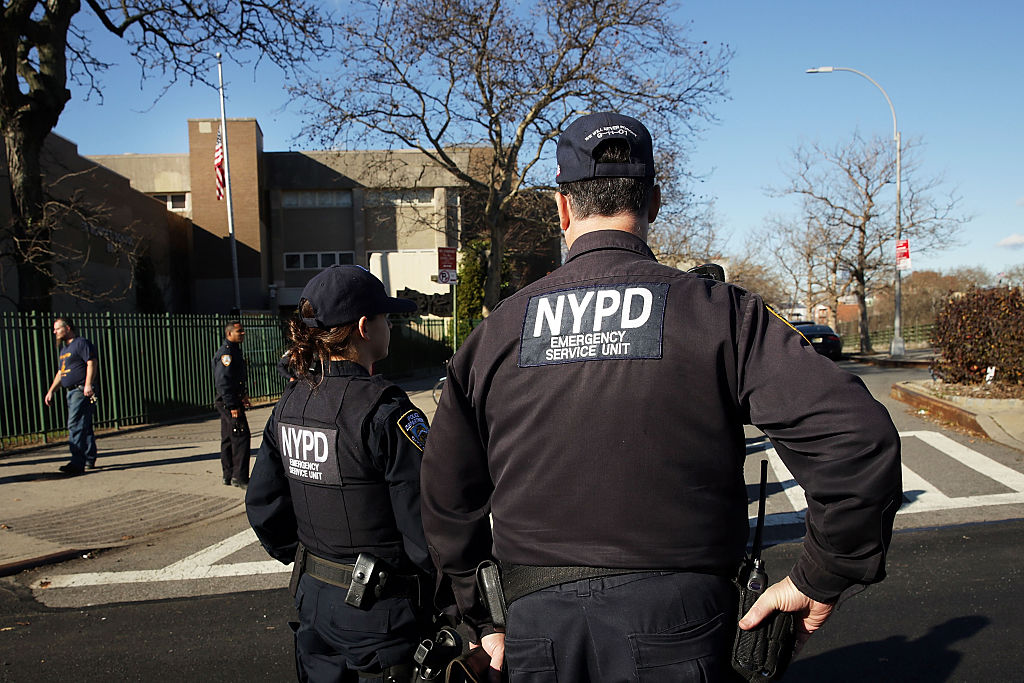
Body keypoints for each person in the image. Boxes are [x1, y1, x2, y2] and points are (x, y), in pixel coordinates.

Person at [419, 112, 903, 681]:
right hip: (683, 628)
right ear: (653, 202)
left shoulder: (497, 332)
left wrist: (480, 616)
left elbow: (447, 495)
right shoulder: (719, 314)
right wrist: (820, 574)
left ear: (562, 207)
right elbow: (856, 439)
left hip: (538, 630)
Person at [246, 265, 435, 682]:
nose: (391, 326)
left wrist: (314, 562)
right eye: (387, 318)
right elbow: (426, 528)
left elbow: (263, 507)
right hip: (381, 617)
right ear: (365, 327)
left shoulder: (290, 403)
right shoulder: (386, 412)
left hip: (314, 601)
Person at [43, 318, 100, 475]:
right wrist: (51, 391)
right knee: (84, 425)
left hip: (81, 390)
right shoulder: (64, 350)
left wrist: (88, 384)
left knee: (74, 424)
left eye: (57, 328)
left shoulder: (81, 343)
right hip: (71, 391)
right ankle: (89, 458)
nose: (55, 332)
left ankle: (77, 462)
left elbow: (91, 362)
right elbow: (61, 373)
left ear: (67, 328)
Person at [213, 320, 251, 488]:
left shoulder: (234, 351)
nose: (242, 334)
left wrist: (242, 396)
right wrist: (232, 405)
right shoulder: (227, 354)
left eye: (242, 331)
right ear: (229, 334)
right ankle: (239, 477)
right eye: (239, 332)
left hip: (233, 399)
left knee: (228, 437)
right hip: (229, 402)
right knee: (241, 437)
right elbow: (223, 381)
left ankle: (228, 475)